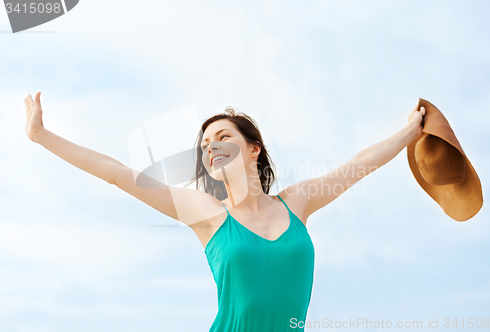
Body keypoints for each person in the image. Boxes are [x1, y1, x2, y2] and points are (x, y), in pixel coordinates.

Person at [24, 92, 425, 331]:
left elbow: (358, 166)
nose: (210, 146)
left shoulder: (297, 202)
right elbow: (117, 174)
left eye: (222, 136)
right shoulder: (208, 214)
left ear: (253, 148)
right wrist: (42, 137)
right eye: (204, 144)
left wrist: (411, 130)